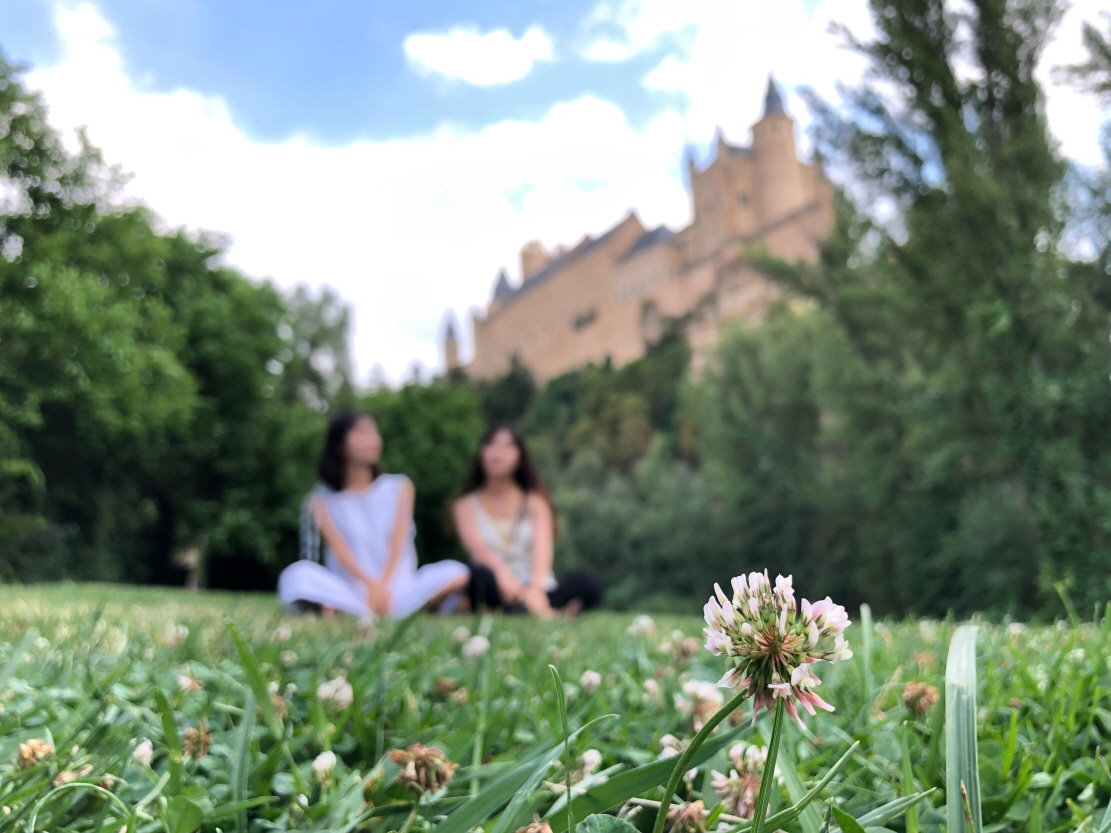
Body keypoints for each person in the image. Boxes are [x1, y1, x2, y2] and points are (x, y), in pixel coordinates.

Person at [278, 411, 469, 619]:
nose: (373, 439)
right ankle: (351, 608)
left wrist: (382, 586)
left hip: (400, 589)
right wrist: (370, 585)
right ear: (340, 445)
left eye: (374, 432)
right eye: (362, 432)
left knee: (458, 571)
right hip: (351, 590)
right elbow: (340, 551)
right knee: (297, 574)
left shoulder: (399, 486)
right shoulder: (320, 499)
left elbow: (398, 542)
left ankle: (345, 611)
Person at [453, 424, 602, 618]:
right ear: (482, 451)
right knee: (478, 576)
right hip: (497, 586)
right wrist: (503, 576)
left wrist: (536, 589)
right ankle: (549, 613)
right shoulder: (464, 506)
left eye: (508, 446)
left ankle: (529, 609)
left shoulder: (535, 502)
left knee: (588, 581)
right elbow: (479, 552)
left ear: (520, 456)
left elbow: (543, 550)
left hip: (537, 586)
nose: (498, 452)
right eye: (491, 444)